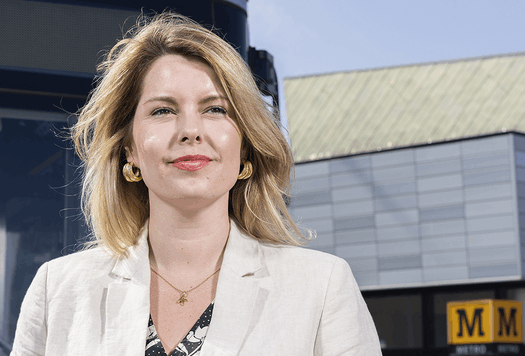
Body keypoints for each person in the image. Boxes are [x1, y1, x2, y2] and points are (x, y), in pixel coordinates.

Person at [11, 12, 381, 356]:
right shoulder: (56, 290)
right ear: (129, 150)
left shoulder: (322, 286)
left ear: (245, 146)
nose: (190, 131)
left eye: (215, 109)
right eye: (162, 111)